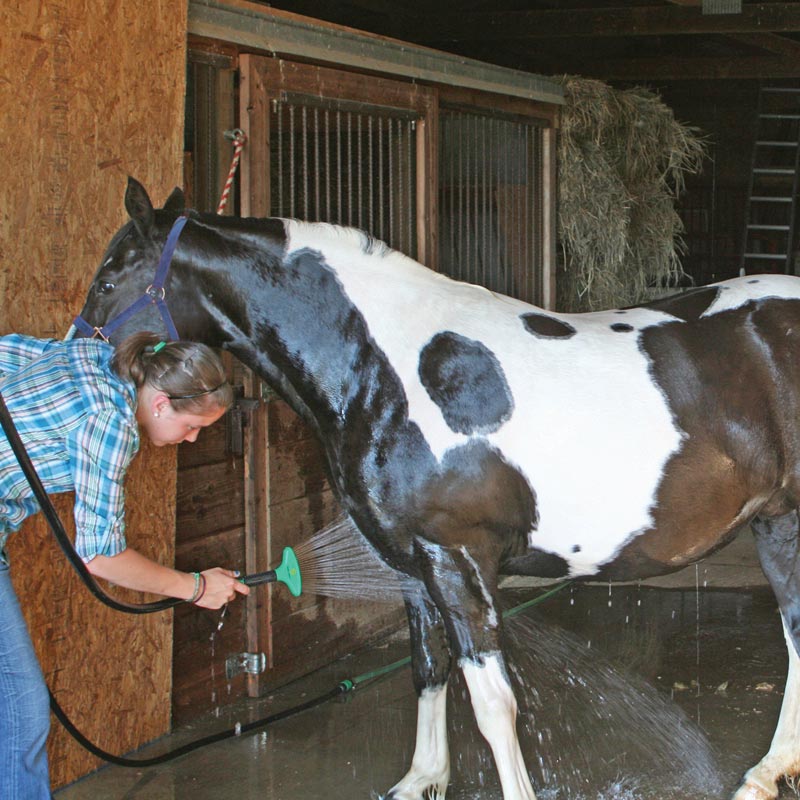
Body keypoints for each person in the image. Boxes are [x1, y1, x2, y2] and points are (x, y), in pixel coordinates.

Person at [0, 330, 250, 799]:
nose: (192, 439)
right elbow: (100, 556)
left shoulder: (96, 355)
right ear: (161, 404)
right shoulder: (110, 424)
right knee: (21, 712)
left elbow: (6, 352)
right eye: (191, 426)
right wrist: (195, 587)